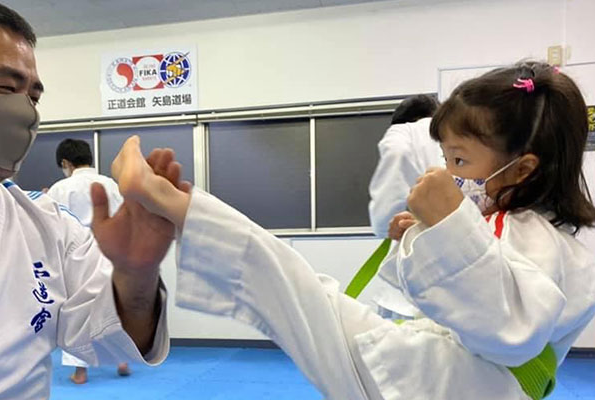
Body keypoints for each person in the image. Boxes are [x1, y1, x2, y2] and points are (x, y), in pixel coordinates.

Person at [111, 62, 595, 399]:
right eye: (445, 159)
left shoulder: (539, 236)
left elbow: (514, 331)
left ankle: (175, 204)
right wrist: (424, 236)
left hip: (440, 384)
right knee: (300, 287)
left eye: (460, 160)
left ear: (521, 169)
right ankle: (178, 206)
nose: (448, 172)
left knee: (294, 286)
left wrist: (448, 226)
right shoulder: (528, 227)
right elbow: (482, 296)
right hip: (440, 375)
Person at [0, 1, 181, 398]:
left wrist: (137, 274)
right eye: (6, 88)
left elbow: (106, 337)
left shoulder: (44, 220)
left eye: (33, 96)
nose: (27, 114)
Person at [46, 139, 130, 383]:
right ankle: (122, 360)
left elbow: (51, 224)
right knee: (114, 308)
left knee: (78, 311)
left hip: (78, 256)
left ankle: (80, 372)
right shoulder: (111, 185)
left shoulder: (60, 188)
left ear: (65, 162)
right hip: (114, 253)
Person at [365, 94, 442, 319]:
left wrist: (388, 224)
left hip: (416, 269)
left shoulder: (405, 132)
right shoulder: (466, 134)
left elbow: (385, 217)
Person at [368, 94, 442, 239]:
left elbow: (397, 154)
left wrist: (384, 226)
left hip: (429, 235)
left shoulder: (404, 130)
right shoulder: (458, 132)